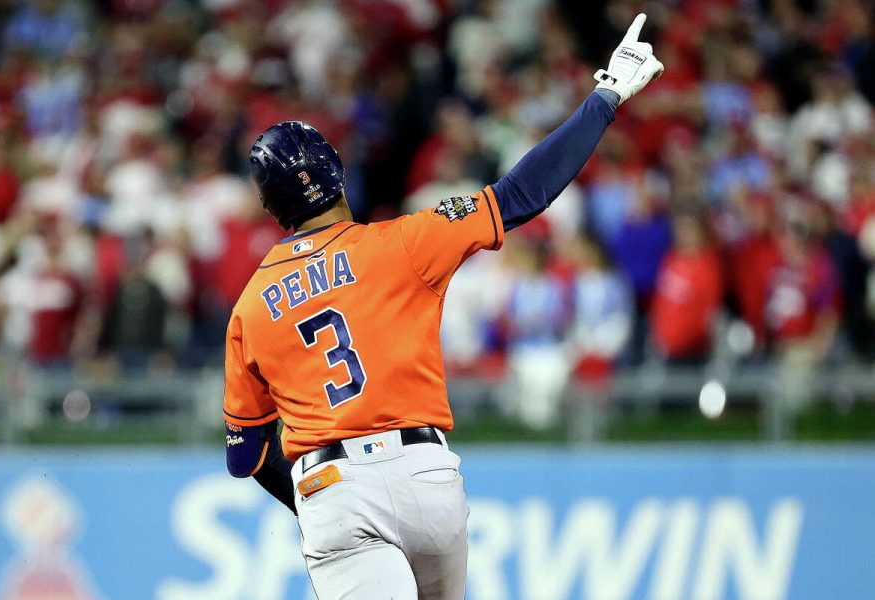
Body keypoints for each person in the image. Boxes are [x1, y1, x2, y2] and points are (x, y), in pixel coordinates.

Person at [222, 14, 663, 600]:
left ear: (271, 205)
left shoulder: (250, 307)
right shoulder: (404, 241)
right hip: (424, 472)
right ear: (337, 171)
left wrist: (311, 498)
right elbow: (524, 193)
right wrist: (606, 96)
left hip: (329, 483)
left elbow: (245, 453)